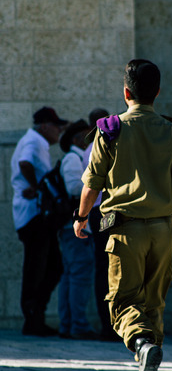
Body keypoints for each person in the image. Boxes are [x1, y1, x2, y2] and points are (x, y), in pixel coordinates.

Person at [73, 59, 172, 371]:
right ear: (157, 92)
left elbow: (92, 183)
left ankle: (143, 346)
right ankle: (149, 364)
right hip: (164, 231)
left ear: (125, 92)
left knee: (122, 302)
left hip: (125, 230)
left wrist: (81, 217)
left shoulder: (110, 129)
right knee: (154, 303)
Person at [10, 107, 68, 336]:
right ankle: (33, 318)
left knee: (51, 267)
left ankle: (36, 316)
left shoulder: (34, 140)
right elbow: (25, 164)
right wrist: (34, 186)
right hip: (33, 216)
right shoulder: (34, 141)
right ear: (45, 126)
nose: (59, 132)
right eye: (57, 127)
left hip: (34, 217)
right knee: (39, 268)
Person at [58, 119, 98, 340]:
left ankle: (68, 324)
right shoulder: (73, 158)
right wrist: (95, 183)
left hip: (71, 226)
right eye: (86, 135)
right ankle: (78, 325)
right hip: (76, 227)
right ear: (76, 139)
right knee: (79, 275)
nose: (90, 138)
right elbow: (74, 187)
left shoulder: (73, 158)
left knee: (71, 275)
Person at [83, 108, 120, 341]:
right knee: (110, 268)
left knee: (106, 268)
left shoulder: (93, 146)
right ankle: (110, 325)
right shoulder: (101, 146)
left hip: (100, 212)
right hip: (105, 212)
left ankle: (110, 325)